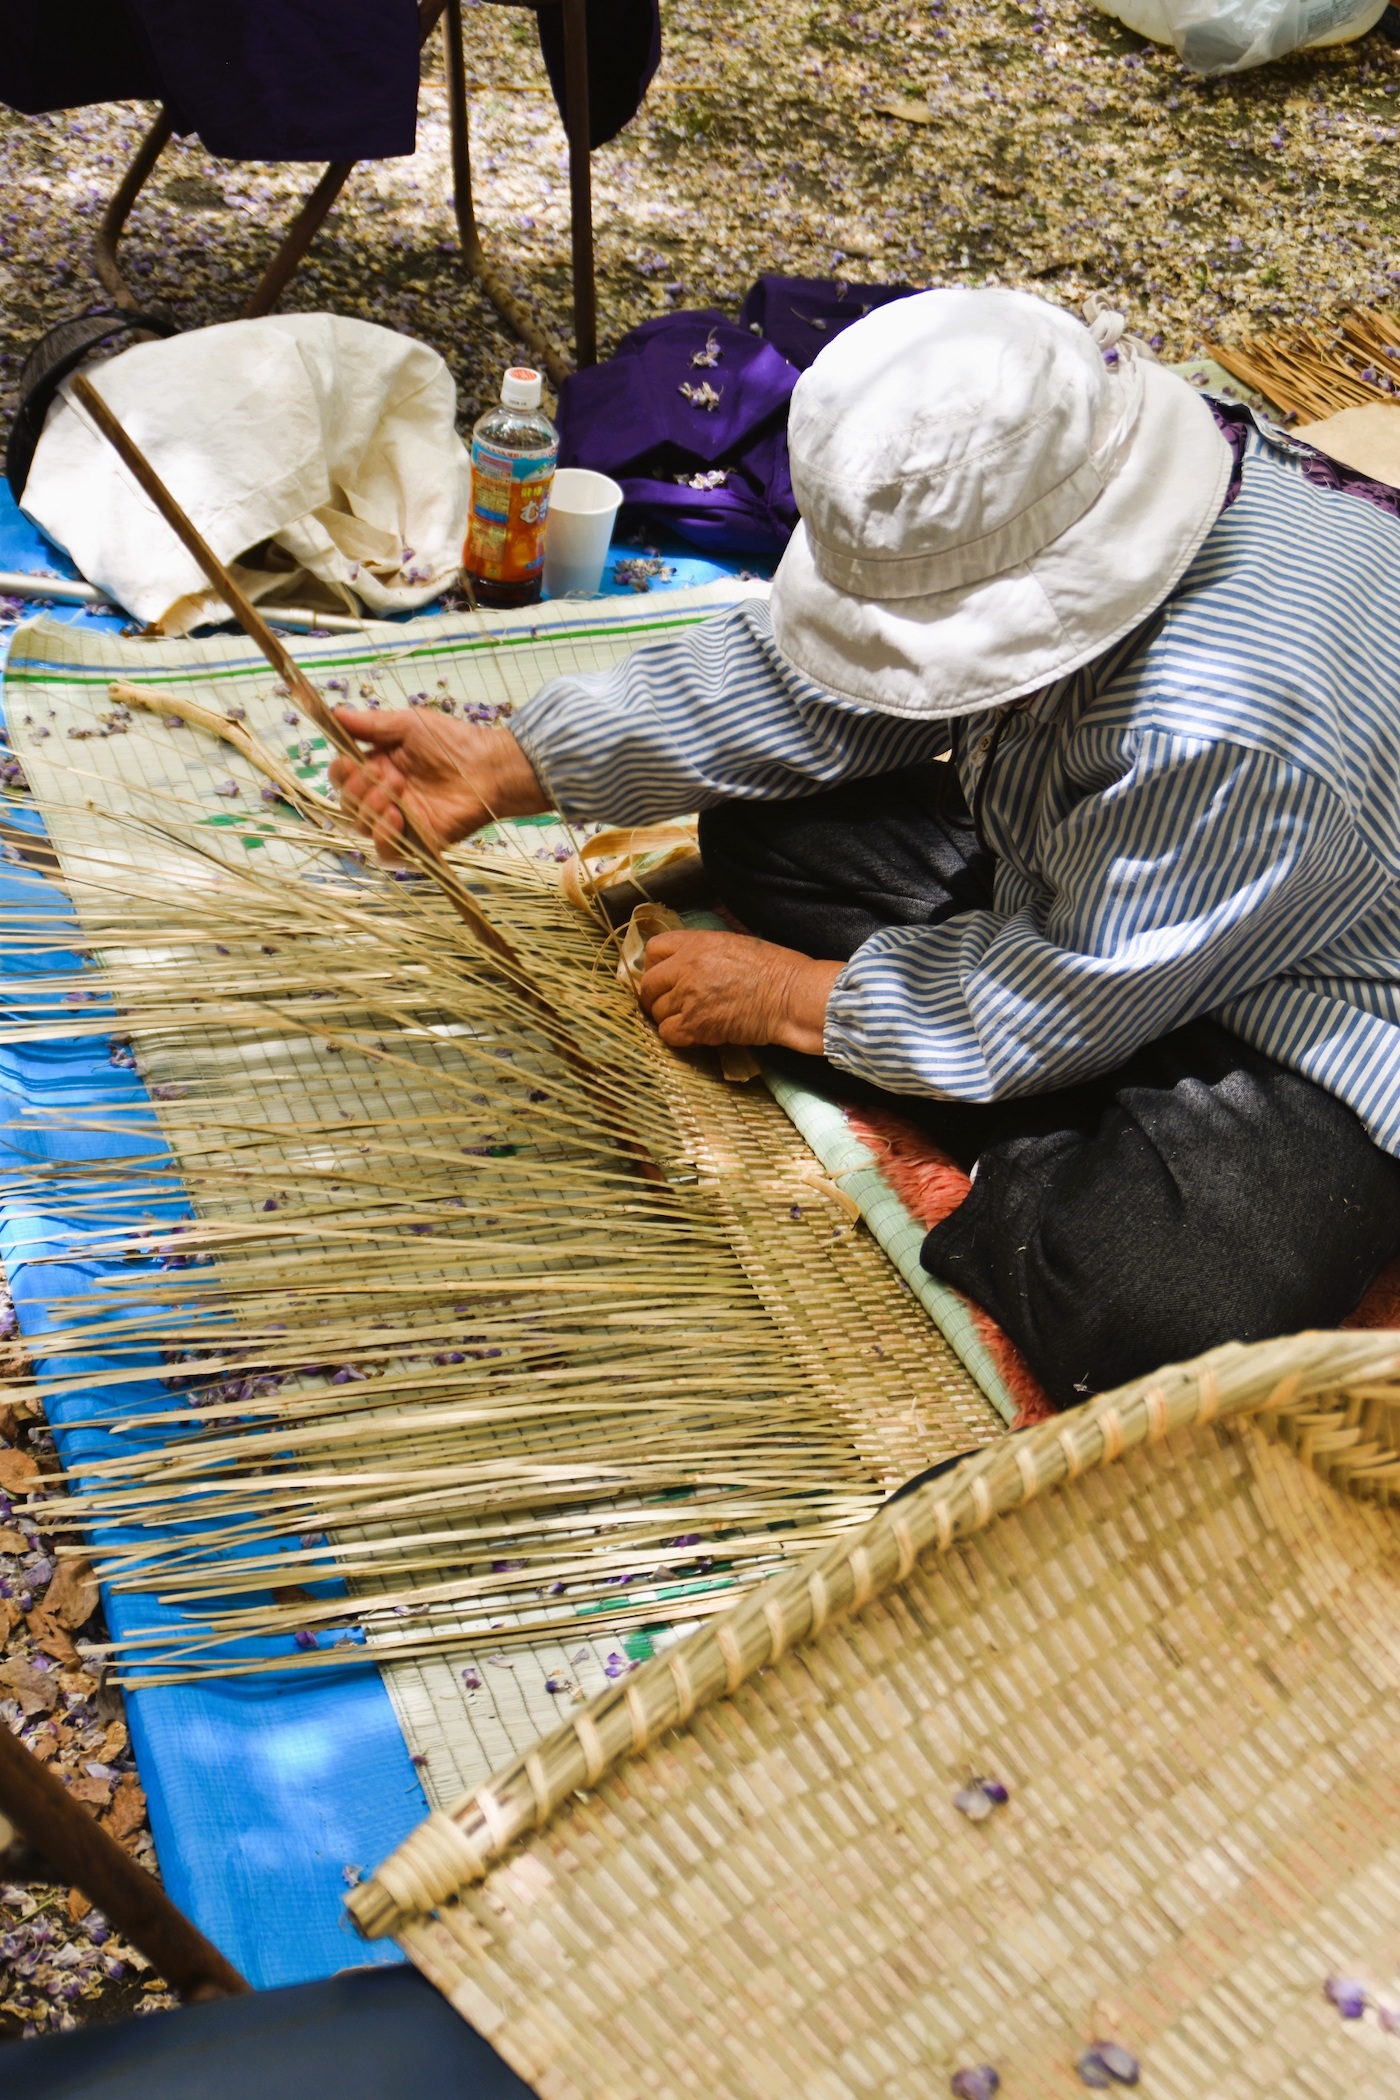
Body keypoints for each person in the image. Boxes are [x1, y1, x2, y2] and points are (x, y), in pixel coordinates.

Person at [330, 288, 1400, 1408]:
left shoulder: (1223, 728)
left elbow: (1061, 995)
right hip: (1133, 897)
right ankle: (1040, 1092)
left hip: (1325, 1012)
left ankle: (1057, 1133)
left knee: (1149, 1316)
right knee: (763, 835)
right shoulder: (1090, 471)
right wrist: (507, 766)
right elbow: (831, 685)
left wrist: (792, 1000)